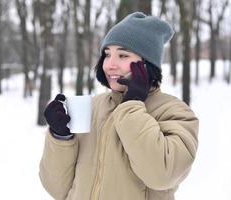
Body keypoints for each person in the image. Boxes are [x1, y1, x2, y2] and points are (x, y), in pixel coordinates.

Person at [39, 12, 199, 200]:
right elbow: (57, 189)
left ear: (146, 64)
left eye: (122, 55)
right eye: (107, 55)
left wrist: (131, 106)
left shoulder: (175, 112)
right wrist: (60, 137)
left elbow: (162, 175)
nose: (109, 65)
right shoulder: (93, 107)